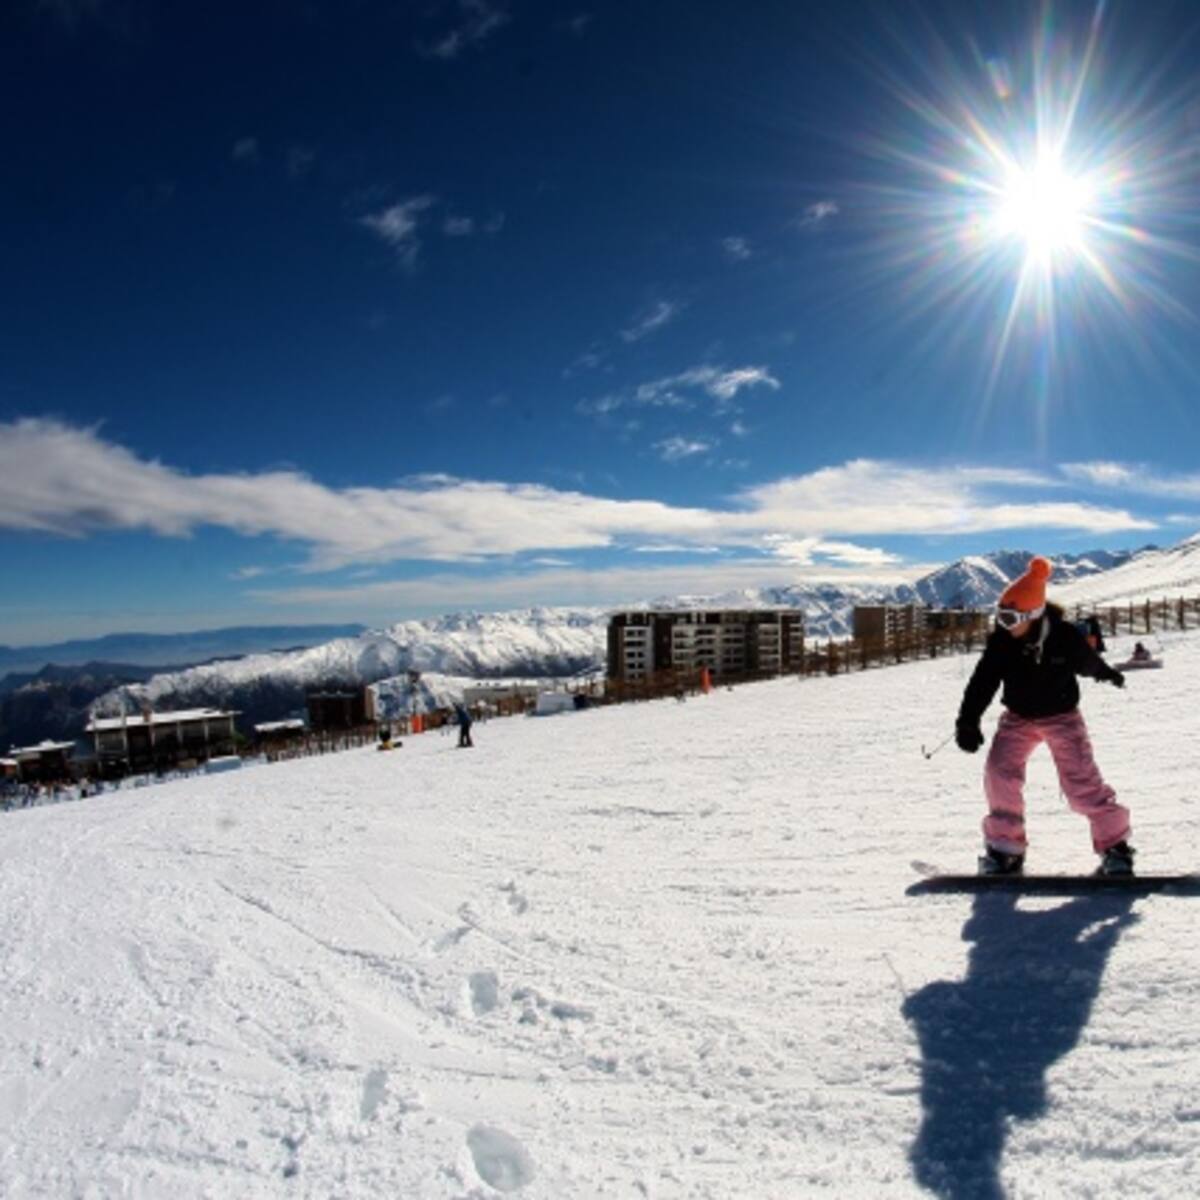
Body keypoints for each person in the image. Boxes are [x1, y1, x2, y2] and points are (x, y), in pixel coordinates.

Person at [955, 556, 1134, 876]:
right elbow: (983, 681)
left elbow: (1087, 662)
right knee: (999, 774)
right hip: (1018, 718)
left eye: (1010, 618)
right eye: (1000, 616)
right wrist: (967, 721)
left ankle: (1115, 848)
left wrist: (1107, 673)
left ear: (1033, 614)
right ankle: (1005, 851)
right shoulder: (1003, 641)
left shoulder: (1064, 637)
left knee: (1080, 784)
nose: (1004, 624)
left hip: (1062, 717)